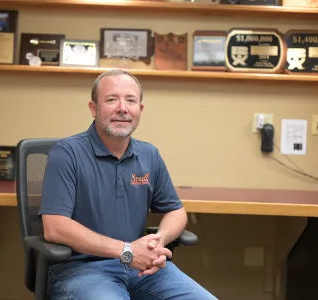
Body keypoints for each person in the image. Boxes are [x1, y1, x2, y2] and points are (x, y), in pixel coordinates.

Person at [39, 69, 217, 300]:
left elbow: (175, 211)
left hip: (142, 269)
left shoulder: (149, 154)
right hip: (81, 270)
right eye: (112, 99)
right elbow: (55, 227)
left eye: (131, 100)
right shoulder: (67, 153)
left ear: (139, 110)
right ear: (94, 108)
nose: (122, 108)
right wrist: (127, 252)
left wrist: (158, 242)